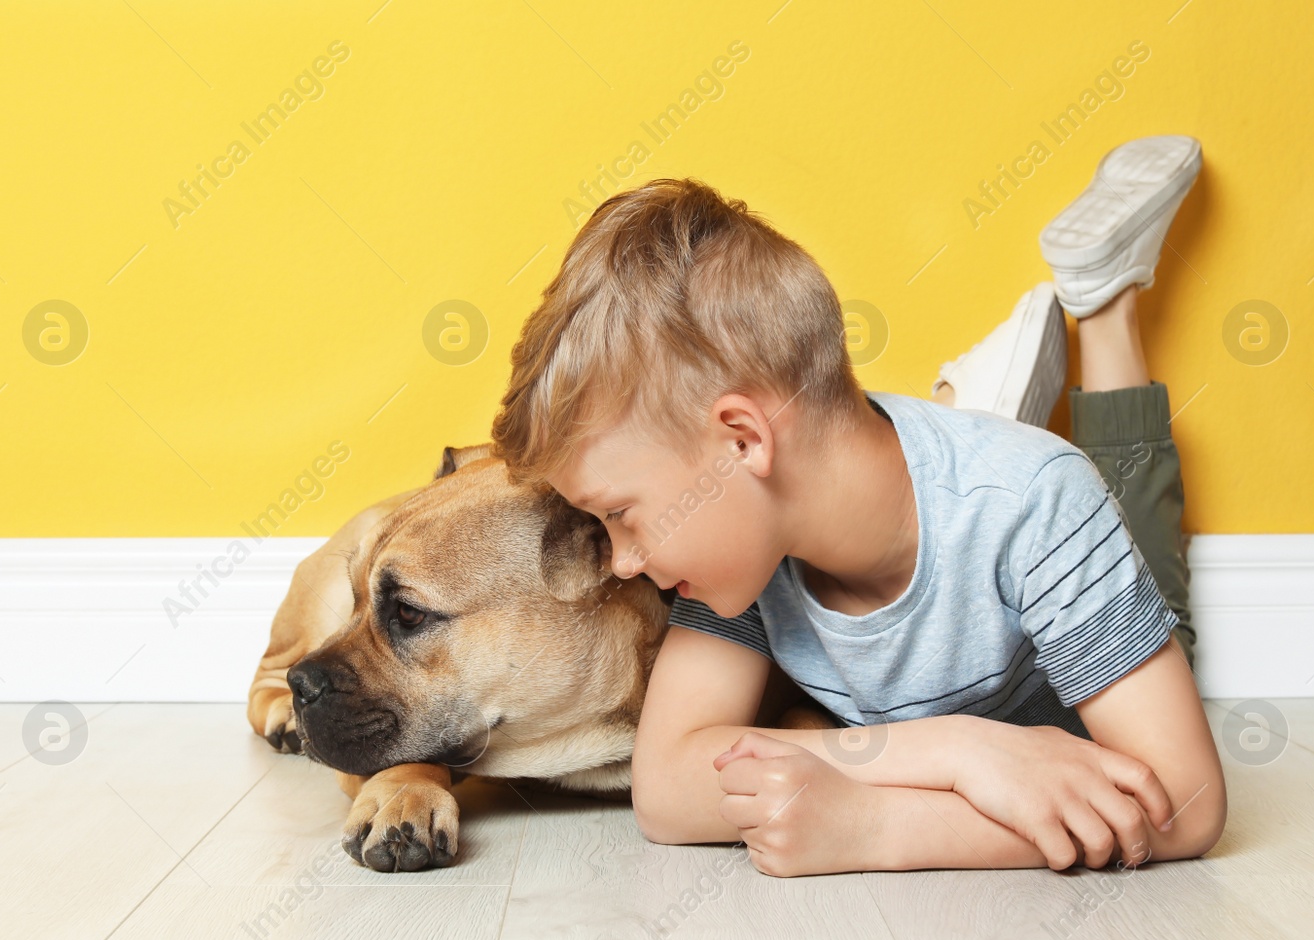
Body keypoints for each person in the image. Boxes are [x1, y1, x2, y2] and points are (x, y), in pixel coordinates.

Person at [489, 136, 1226, 876]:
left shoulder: (1038, 503)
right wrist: (959, 747)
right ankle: (969, 409)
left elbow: (1184, 799)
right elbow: (666, 787)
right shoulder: (743, 547)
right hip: (902, 494)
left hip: (1044, 545)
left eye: (620, 513)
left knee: (1135, 535)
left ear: (741, 442)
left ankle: (1102, 302)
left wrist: (880, 826)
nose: (625, 561)